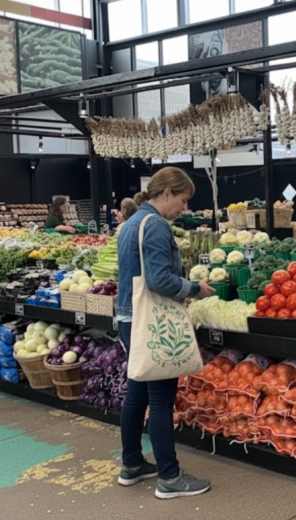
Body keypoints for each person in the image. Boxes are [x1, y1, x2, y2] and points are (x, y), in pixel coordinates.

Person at [116, 167, 215, 500]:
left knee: (137, 394)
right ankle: (170, 477)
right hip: (153, 322)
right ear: (167, 194)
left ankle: (132, 464)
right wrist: (193, 288)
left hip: (130, 317)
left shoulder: (132, 223)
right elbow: (159, 280)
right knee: (160, 401)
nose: (183, 210)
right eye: (183, 201)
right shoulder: (156, 226)